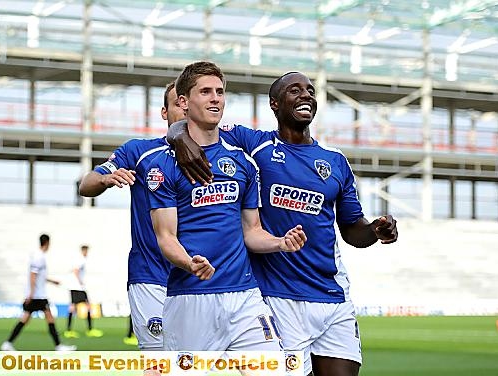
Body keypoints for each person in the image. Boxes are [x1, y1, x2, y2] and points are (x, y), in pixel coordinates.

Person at [168, 71, 398, 376]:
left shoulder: (336, 161)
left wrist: (374, 230)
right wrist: (180, 139)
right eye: (295, 90)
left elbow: (353, 229)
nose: (306, 95)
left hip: (332, 296)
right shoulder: (254, 144)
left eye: (311, 91)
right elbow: (195, 125)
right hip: (279, 298)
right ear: (274, 104)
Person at [147, 61, 307, 352]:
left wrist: (280, 242)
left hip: (245, 298)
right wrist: (189, 263)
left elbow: (252, 231)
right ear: (183, 102)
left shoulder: (244, 163)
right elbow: (165, 238)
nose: (215, 98)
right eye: (205, 91)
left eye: (219, 92)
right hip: (191, 298)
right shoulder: (162, 165)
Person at [78, 82, 185, 351]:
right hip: (150, 276)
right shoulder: (139, 151)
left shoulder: (219, 157)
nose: (184, 110)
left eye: (188, 103)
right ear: (164, 112)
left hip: (196, 279)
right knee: (159, 363)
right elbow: (87, 183)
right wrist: (105, 180)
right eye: (177, 104)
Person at [1, 234, 77, 351]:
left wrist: (52, 281)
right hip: (38, 296)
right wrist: (31, 294)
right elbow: (33, 275)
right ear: (47, 243)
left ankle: (8, 343)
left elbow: (39, 276)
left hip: (37, 295)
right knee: (49, 318)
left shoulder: (37, 256)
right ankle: (58, 346)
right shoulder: (39, 257)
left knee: (25, 319)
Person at [64, 245, 103, 338]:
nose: (87, 253)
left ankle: (69, 330)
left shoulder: (78, 259)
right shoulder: (81, 259)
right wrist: (80, 282)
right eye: (86, 251)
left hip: (75, 287)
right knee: (83, 306)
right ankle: (88, 329)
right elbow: (75, 270)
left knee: (74, 307)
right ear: (84, 251)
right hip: (78, 287)